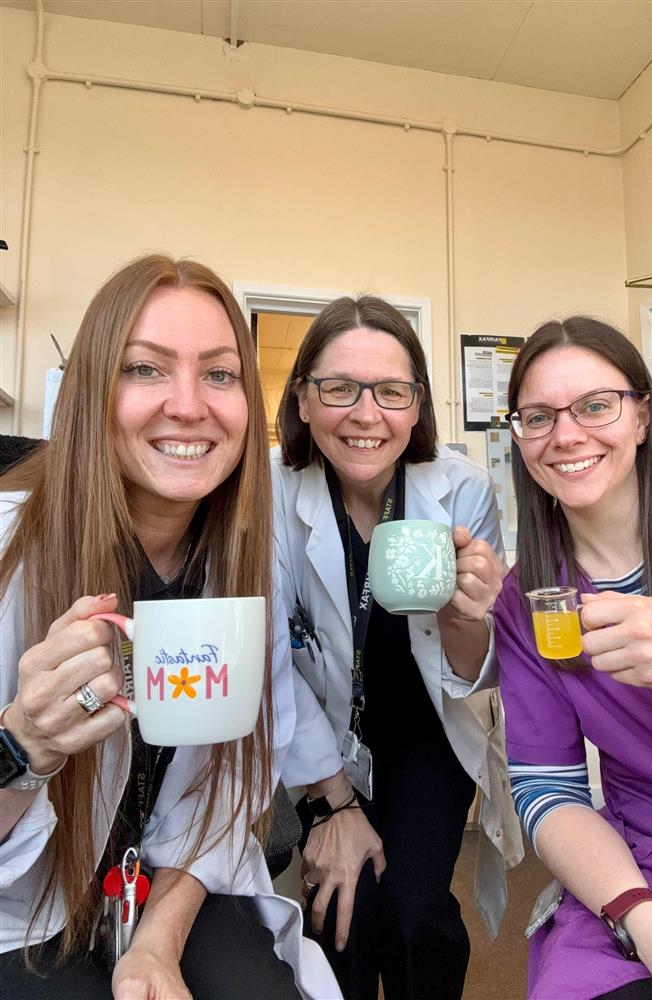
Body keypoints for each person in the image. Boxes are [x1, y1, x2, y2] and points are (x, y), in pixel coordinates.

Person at [0, 255, 341, 1000]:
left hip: (174, 878)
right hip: (16, 902)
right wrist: (21, 746)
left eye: (219, 374)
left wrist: (156, 945)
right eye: (145, 369)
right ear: (93, 390)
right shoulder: (8, 548)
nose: (188, 406)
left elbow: (230, 789)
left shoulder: (245, 569)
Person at [272, 295, 522, 1000]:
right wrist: (332, 803)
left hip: (428, 732)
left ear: (417, 405)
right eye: (338, 388)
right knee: (341, 912)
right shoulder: (268, 493)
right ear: (303, 399)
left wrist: (467, 614)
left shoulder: (461, 490)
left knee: (414, 913)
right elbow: (270, 664)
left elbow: (473, 672)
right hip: (319, 735)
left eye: (391, 391)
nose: (366, 414)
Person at [493, 315, 652, 1000]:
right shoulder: (528, 603)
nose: (566, 435)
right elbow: (549, 792)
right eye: (538, 417)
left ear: (641, 416)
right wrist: (643, 918)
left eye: (595, 405)